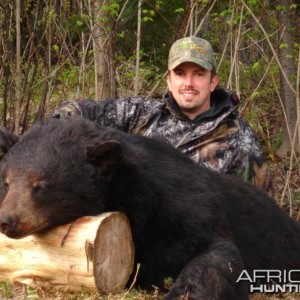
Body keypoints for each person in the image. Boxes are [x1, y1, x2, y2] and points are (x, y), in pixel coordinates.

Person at [53, 36, 273, 196]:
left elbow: (261, 211)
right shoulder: (142, 114)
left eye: (198, 74)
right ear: (169, 80)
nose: (188, 83)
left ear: (212, 82)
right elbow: (80, 110)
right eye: (180, 73)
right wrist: (53, 133)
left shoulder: (238, 138)